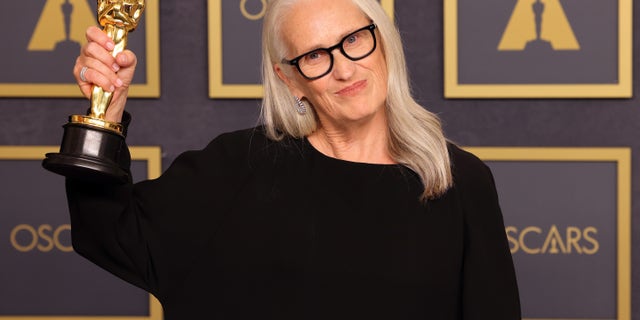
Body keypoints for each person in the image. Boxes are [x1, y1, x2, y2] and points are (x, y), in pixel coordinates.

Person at [68, 0, 521, 319]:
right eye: (315, 56)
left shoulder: (461, 182)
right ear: (290, 79)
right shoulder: (237, 167)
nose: (344, 69)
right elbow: (111, 233)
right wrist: (104, 114)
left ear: (383, 43)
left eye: (354, 40)